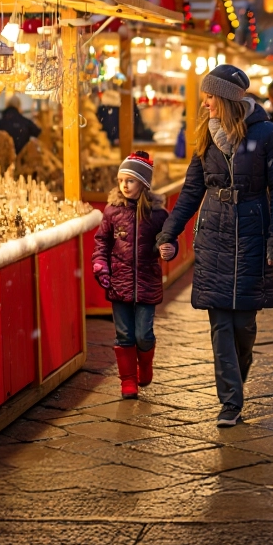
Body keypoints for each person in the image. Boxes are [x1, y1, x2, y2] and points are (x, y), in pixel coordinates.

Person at [157, 65, 273, 426]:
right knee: (220, 324)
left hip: (253, 230)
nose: (205, 103)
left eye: (210, 96)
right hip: (214, 231)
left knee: (244, 325)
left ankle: (236, 381)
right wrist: (169, 232)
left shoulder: (266, 135)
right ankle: (230, 401)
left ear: (228, 99)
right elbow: (190, 191)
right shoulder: (205, 136)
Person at [92, 151, 170, 399]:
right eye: (121, 180)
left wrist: (168, 248)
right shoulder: (112, 211)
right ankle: (128, 380)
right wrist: (100, 265)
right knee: (124, 334)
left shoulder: (158, 214)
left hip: (147, 281)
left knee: (143, 335)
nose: (124, 185)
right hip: (120, 283)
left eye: (130, 180)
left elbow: (167, 241)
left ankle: (145, 363)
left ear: (144, 183)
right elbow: (101, 243)